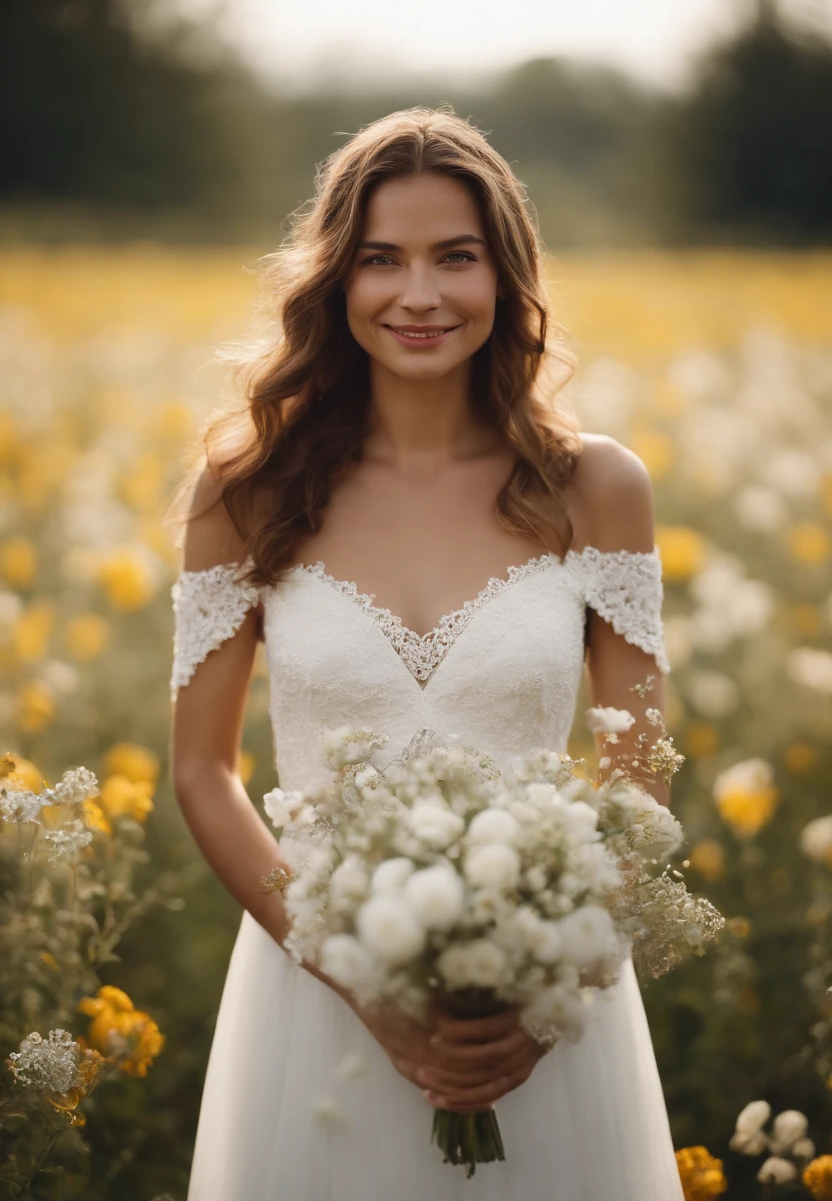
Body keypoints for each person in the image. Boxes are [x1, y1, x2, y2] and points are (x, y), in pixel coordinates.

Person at [167, 105, 685, 1200]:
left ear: (506, 276)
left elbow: (640, 776)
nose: (418, 295)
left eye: (455, 257)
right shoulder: (246, 488)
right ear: (334, 281)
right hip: (316, 998)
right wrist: (356, 978)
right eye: (379, 260)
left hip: (546, 1007)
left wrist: (550, 997)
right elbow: (201, 769)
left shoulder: (597, 487)